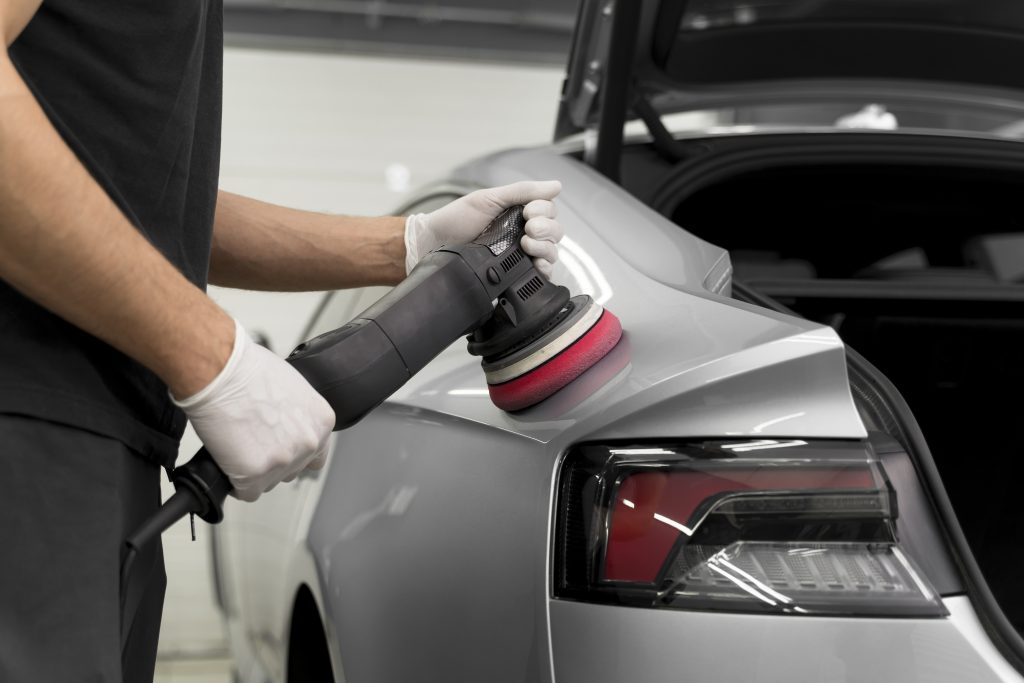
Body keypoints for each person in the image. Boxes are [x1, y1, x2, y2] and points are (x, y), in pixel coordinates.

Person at [0, 1, 564, 681]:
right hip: (32, 434)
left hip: (95, 444)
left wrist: (409, 243)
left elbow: (155, 206)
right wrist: (212, 356)